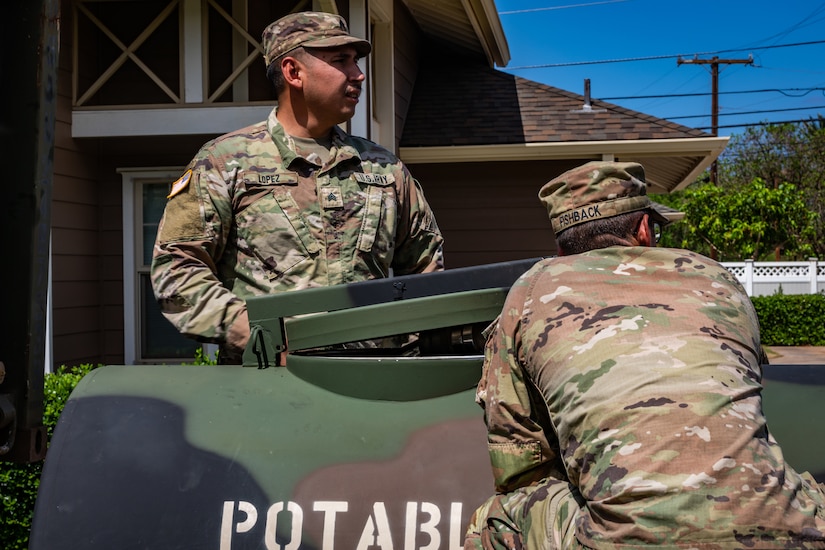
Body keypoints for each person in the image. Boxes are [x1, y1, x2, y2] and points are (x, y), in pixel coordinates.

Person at [465, 161, 825, 549]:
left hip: (621, 541)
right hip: (784, 531)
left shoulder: (529, 292)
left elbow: (518, 458)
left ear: (561, 247)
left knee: (496, 518)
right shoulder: (716, 276)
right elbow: (750, 382)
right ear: (643, 230)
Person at [150, 12, 444, 363]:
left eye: (356, 61)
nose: (358, 74)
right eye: (341, 61)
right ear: (293, 72)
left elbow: (427, 273)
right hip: (269, 388)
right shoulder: (225, 161)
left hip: (373, 384)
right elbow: (176, 271)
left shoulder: (385, 168)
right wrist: (257, 334)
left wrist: (410, 349)